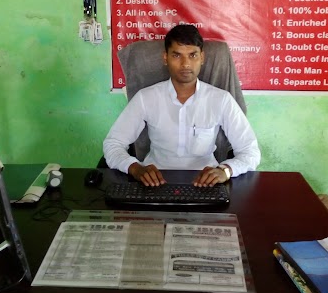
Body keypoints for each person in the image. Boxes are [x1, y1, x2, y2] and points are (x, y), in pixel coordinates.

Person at [104, 23, 261, 186]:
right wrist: (135, 168)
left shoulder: (221, 99)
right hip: (155, 182)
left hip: (207, 183)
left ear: (202, 58)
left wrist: (226, 170)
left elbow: (250, 152)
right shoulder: (146, 98)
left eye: (193, 55)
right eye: (177, 55)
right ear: (165, 58)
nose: (185, 64)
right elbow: (113, 144)